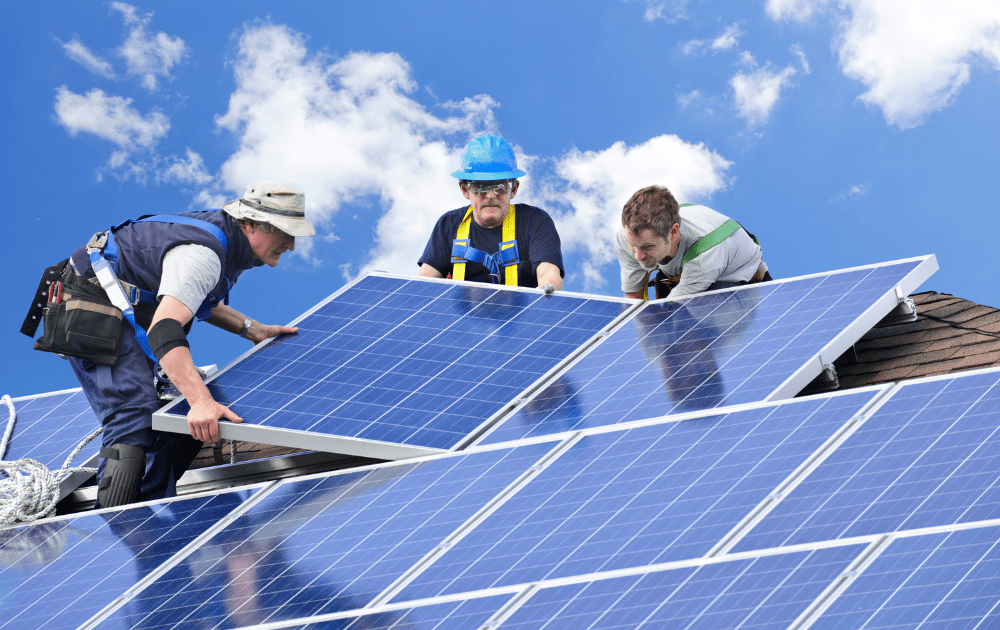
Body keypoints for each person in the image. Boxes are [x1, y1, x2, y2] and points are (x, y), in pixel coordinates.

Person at [23, 181, 314, 508]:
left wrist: (251, 329)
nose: (290, 244)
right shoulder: (203, 253)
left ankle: (150, 517)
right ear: (250, 224)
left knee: (176, 412)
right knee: (133, 412)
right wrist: (201, 401)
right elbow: (163, 328)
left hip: (114, 305)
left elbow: (197, 298)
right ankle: (119, 524)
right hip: (88, 304)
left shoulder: (226, 246)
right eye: (284, 232)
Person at [417, 134, 564, 291]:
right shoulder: (449, 225)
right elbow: (424, 282)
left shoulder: (535, 222)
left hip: (522, 314)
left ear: (513, 189)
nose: (491, 195)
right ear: (465, 189)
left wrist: (547, 293)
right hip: (461, 314)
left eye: (500, 187)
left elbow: (548, 272)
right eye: (481, 187)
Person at [617, 185, 771, 300]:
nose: (638, 256)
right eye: (633, 246)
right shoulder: (628, 235)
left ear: (673, 232)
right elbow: (633, 296)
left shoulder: (705, 255)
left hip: (735, 273)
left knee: (704, 314)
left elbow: (670, 313)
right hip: (690, 264)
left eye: (647, 247)